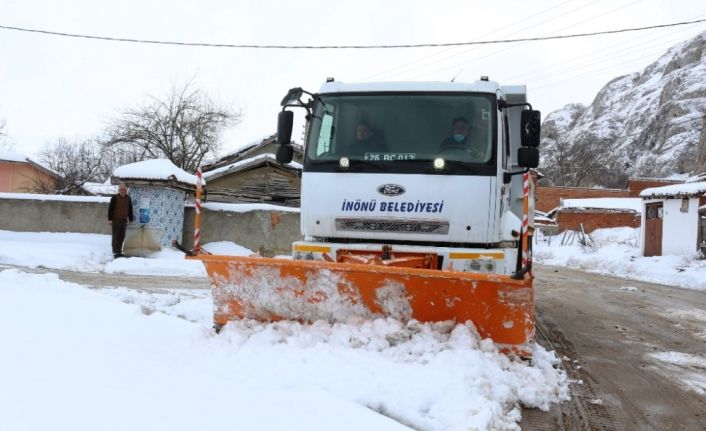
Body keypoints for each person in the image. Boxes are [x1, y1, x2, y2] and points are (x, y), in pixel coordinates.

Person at [108, 182, 134, 258]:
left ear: (126, 190)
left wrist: (131, 218)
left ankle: (119, 250)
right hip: (116, 219)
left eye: (124, 189)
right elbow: (110, 209)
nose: (123, 190)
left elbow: (130, 209)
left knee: (122, 236)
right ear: (119, 190)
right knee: (116, 235)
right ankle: (115, 251)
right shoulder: (114, 198)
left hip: (124, 219)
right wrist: (109, 219)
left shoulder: (128, 198)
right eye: (121, 189)